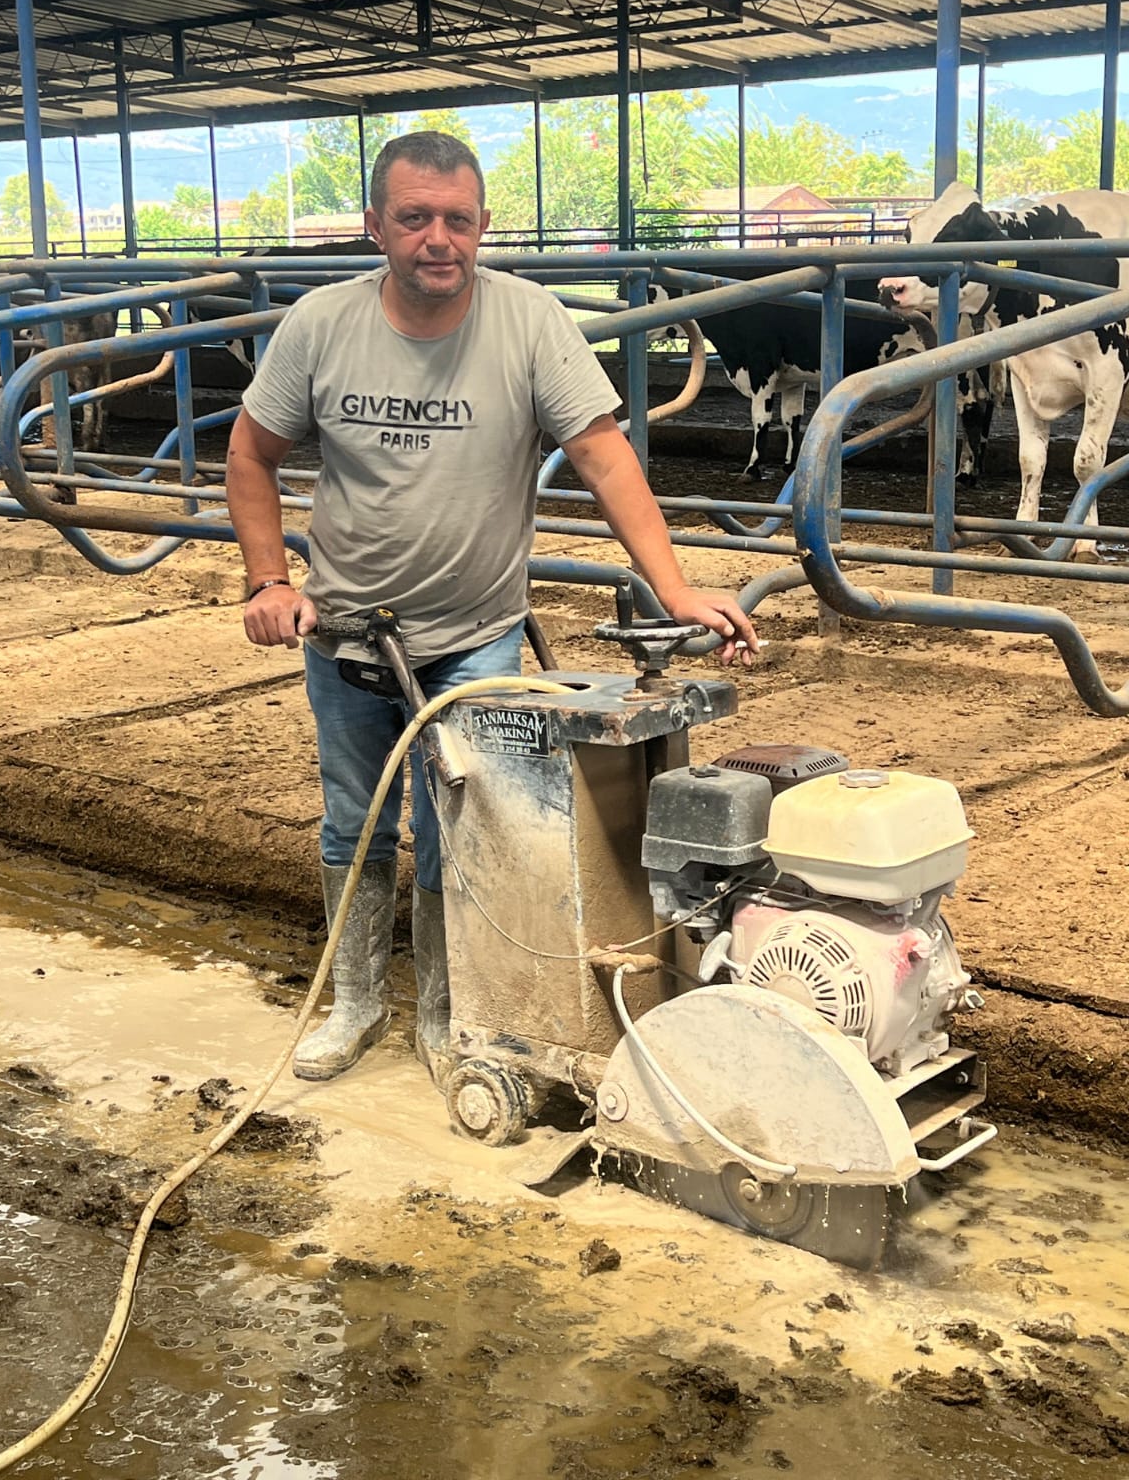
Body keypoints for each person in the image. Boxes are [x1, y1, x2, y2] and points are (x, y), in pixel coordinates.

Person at [225, 129, 758, 1089]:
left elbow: (603, 455)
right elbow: (250, 452)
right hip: (345, 631)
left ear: (483, 225)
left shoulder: (529, 321)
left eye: (458, 219)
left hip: (474, 635)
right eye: (414, 218)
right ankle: (354, 1005)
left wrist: (675, 587)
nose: (438, 238)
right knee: (354, 822)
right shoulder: (319, 325)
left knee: (462, 828)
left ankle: (449, 1011)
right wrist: (268, 580)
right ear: (375, 225)